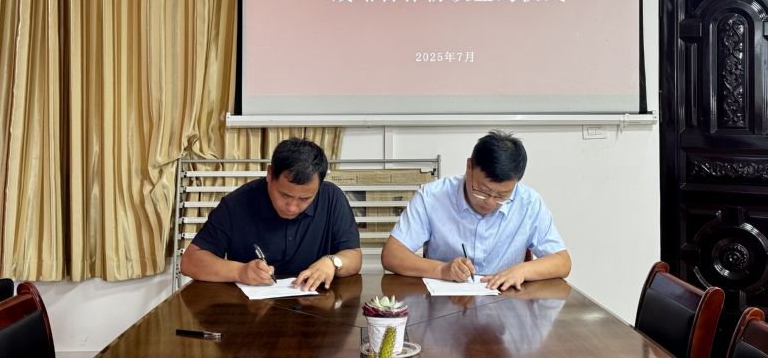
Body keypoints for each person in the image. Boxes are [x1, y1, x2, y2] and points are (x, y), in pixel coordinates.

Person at [381, 130, 570, 290]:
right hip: (446, 307)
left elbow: (562, 261)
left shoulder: (528, 202)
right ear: (469, 167)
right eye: (482, 191)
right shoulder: (432, 197)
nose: (490, 202)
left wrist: (522, 270)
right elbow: (391, 255)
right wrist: (442, 270)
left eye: (502, 196)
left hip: (505, 306)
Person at [180, 138, 362, 290]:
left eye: (305, 198)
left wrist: (332, 262)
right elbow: (190, 261)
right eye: (285, 195)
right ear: (269, 174)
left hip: (317, 308)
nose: (292, 207)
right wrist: (240, 271)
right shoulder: (236, 204)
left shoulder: (331, 198)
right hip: (249, 311)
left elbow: (354, 256)